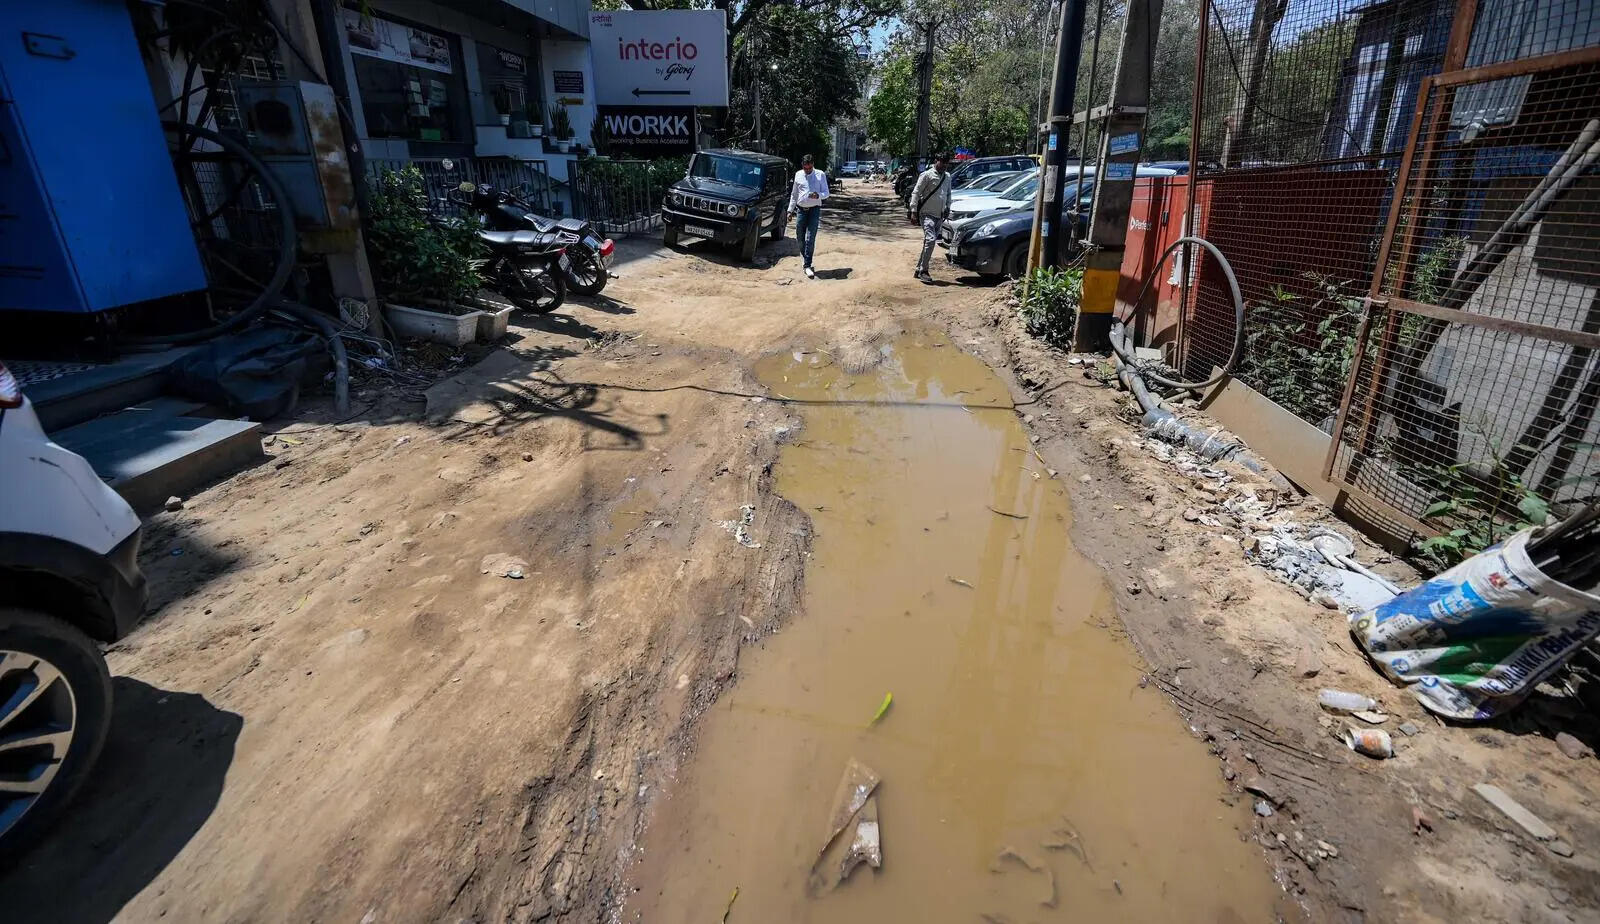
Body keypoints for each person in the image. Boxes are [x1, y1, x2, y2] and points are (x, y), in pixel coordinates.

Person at [909, 153, 952, 284]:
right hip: (926, 214)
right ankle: (924, 271)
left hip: (939, 215)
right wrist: (913, 211)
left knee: (928, 242)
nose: (944, 165)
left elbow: (948, 194)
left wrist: (947, 207)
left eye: (946, 162)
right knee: (931, 240)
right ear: (936, 161)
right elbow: (916, 192)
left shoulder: (947, 176)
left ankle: (919, 269)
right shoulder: (927, 175)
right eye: (942, 162)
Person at [788, 154, 830, 278]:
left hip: (814, 210)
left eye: (809, 168)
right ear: (802, 166)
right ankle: (805, 257)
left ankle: (807, 265)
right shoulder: (798, 174)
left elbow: (826, 193)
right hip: (801, 210)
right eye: (805, 168)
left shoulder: (820, 175)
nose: (807, 170)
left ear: (813, 165)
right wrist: (790, 210)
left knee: (810, 238)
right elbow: (794, 194)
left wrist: (818, 195)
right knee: (799, 236)